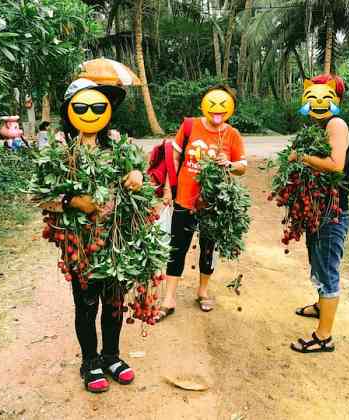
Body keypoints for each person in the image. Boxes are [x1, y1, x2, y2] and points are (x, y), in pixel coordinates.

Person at [59, 78, 143, 392]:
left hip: (115, 237)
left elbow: (134, 175)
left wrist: (135, 174)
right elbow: (43, 196)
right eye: (82, 106)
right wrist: (73, 201)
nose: (91, 112)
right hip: (80, 241)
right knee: (86, 303)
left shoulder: (116, 143)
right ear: (70, 111)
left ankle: (111, 356)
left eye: (98, 106)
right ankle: (89, 361)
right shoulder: (61, 148)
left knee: (114, 301)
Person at [156, 85, 247, 321]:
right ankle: (169, 298)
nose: (217, 110)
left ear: (231, 109)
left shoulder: (232, 135)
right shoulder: (189, 126)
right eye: (213, 104)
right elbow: (174, 157)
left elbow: (242, 167)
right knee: (177, 248)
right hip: (185, 199)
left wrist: (229, 163)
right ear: (204, 105)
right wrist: (168, 188)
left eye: (223, 105)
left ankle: (203, 291)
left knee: (208, 248)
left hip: (214, 204)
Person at [289, 74, 349, 354]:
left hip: (331, 212)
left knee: (326, 269)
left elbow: (336, 165)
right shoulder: (317, 125)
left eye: (323, 97)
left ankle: (324, 337)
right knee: (317, 259)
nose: (317, 102)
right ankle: (320, 307)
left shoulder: (336, 124)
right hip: (318, 209)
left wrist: (300, 157)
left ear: (335, 99)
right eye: (311, 97)